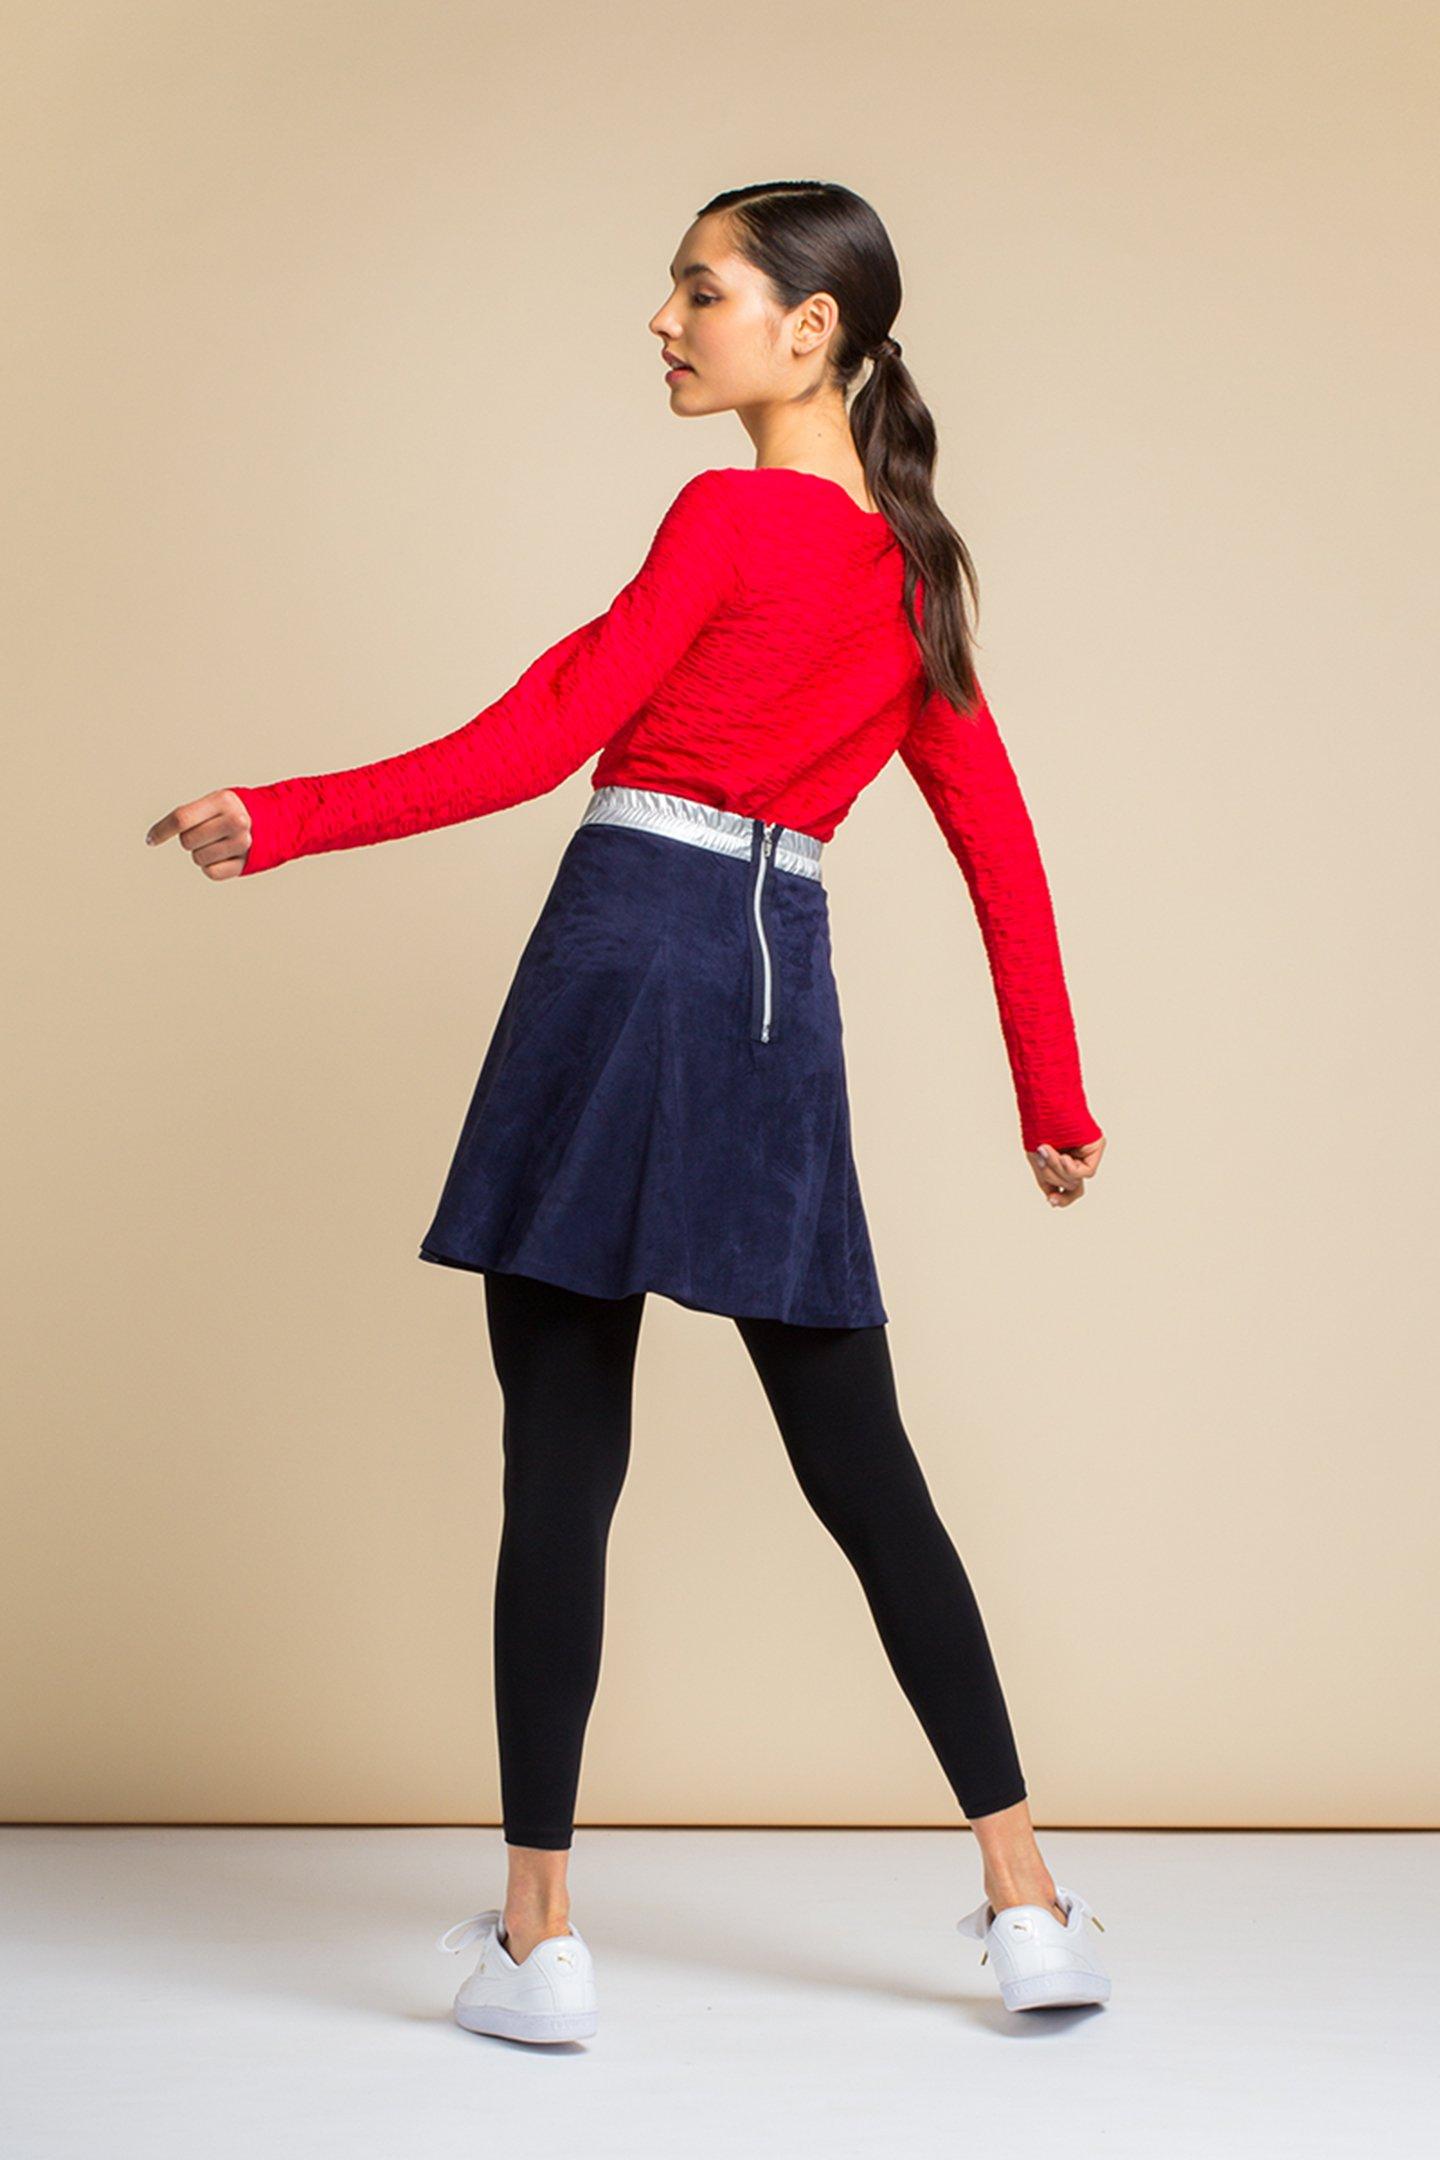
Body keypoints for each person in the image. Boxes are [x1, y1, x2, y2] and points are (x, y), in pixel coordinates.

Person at [145, 179, 1112, 2036]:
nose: (664, 323)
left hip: (617, 965)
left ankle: (543, 1938)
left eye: (700, 291)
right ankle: (1028, 1902)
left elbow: (543, 730)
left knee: (564, 1463)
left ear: (811, 330)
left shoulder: (727, 516)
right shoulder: (912, 574)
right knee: (866, 1470)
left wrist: (285, 816)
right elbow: (1000, 845)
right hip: (771, 1000)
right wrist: (1048, 1099)